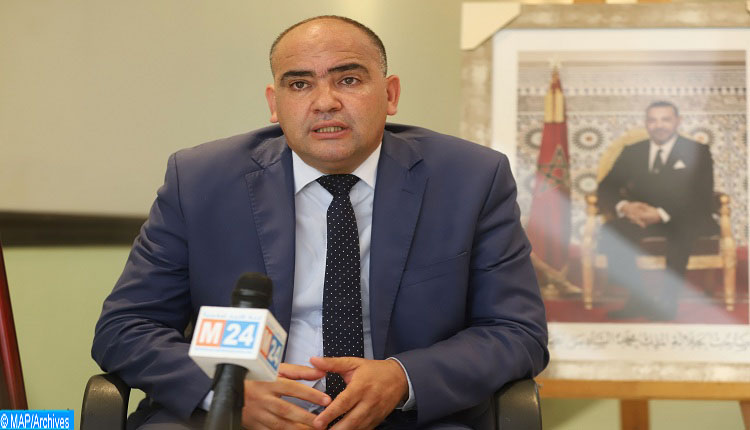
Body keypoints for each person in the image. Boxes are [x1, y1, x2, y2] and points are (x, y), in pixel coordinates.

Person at [92, 15, 548, 429]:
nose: (325, 102)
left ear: (390, 94)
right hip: (234, 416)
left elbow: (516, 331)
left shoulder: (470, 179)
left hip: (404, 417)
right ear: (274, 104)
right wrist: (225, 393)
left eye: (348, 79)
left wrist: (402, 377)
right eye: (299, 84)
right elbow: (126, 327)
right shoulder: (200, 180)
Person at [597, 101, 716, 321]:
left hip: (684, 216)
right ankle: (637, 299)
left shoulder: (698, 151)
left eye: (665, 119)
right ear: (646, 123)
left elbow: (701, 196)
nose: (659, 125)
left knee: (681, 232)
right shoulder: (633, 151)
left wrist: (661, 214)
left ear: (678, 121)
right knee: (610, 231)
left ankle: (667, 303)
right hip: (643, 217)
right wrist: (625, 207)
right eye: (652, 120)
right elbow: (606, 187)